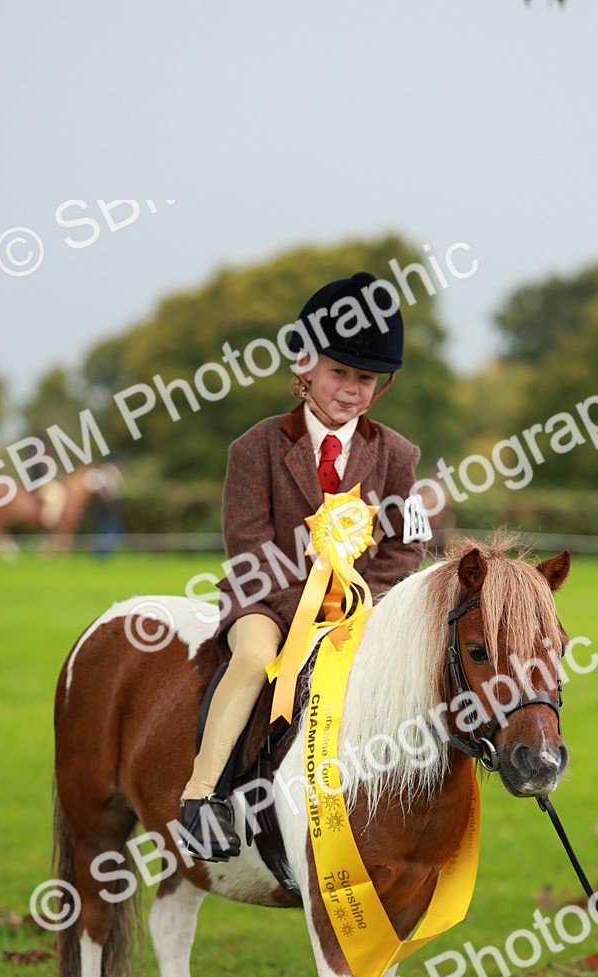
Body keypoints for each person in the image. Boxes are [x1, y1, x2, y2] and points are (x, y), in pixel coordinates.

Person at [178, 272, 429, 861]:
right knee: (257, 656)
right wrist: (309, 610)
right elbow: (248, 549)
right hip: (265, 600)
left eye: (364, 379)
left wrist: (361, 605)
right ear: (306, 366)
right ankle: (203, 793)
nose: (350, 390)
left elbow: (406, 547)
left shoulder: (398, 456)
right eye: (339, 373)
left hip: (360, 607)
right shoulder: (255, 449)